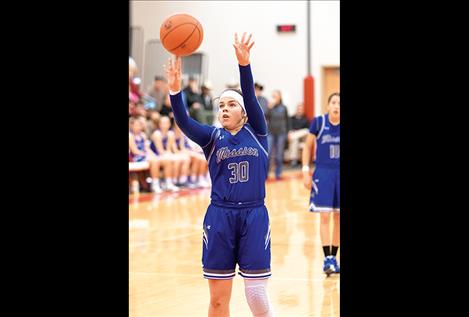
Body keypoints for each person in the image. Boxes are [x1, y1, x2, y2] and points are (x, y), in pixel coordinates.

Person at [165, 32, 274, 317]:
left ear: (245, 113)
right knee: (216, 301)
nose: (225, 109)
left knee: (256, 294)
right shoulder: (212, 138)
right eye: (221, 106)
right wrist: (175, 92)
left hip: (254, 215)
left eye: (231, 105)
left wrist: (244, 65)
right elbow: (183, 121)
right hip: (220, 216)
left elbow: (249, 96)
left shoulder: (257, 133)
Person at [301, 92, 340, 276]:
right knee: (324, 216)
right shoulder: (318, 122)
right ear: (328, 105)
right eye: (333, 102)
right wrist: (305, 171)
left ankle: (334, 257)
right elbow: (307, 146)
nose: (336, 106)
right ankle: (327, 258)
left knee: (338, 218)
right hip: (323, 173)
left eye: (339, 103)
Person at [265, 90, 289, 179]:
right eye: (273, 96)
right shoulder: (270, 107)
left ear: (279, 97)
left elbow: (287, 120)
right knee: (268, 153)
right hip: (271, 132)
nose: (274, 98)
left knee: (279, 155)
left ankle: (278, 173)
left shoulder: (284, 107)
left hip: (281, 133)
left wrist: (288, 132)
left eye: (275, 96)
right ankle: (265, 174)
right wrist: (269, 108)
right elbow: (265, 116)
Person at [287, 102, 310, 166]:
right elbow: (289, 128)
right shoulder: (292, 118)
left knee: (306, 130)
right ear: (296, 109)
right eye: (298, 109)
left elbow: (309, 130)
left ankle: (294, 136)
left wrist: (296, 133)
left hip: (302, 137)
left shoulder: (305, 119)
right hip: (294, 137)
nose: (299, 110)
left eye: (301, 109)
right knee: (295, 140)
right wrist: (291, 133)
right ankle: (294, 160)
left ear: (302, 110)